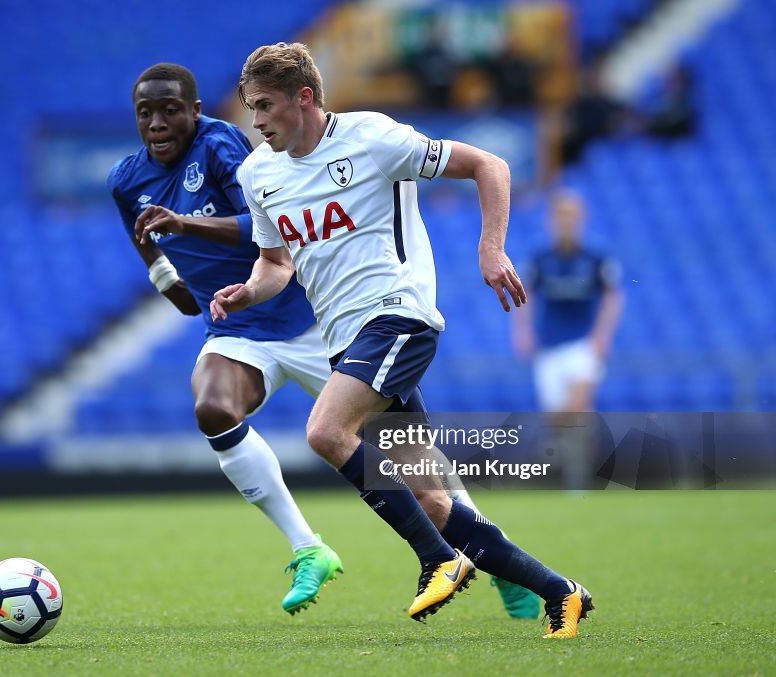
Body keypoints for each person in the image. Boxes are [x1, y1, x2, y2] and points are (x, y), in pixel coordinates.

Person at [109, 63, 540, 619]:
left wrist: (187, 225)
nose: (159, 122)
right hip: (242, 324)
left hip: (317, 321)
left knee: (417, 474)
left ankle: (490, 555)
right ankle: (308, 546)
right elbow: (163, 237)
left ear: (196, 110)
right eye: (146, 112)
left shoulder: (225, 148)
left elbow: (266, 231)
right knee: (214, 407)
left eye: (172, 109)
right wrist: (167, 279)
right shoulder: (129, 179)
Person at [212, 42, 592, 637]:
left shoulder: (372, 138)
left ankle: (438, 560)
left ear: (303, 98)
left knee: (324, 431)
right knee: (435, 502)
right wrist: (246, 292)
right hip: (344, 338)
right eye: (248, 107)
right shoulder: (258, 173)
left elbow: (490, 165)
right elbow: (276, 266)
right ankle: (560, 592)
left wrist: (490, 248)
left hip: (397, 318)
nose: (255, 122)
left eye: (264, 106)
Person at [513, 190, 624, 486]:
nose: (565, 222)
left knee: (576, 408)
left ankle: (579, 479)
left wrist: (602, 336)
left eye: (571, 216)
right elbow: (526, 296)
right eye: (560, 216)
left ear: (581, 219)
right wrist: (523, 332)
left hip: (582, 343)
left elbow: (613, 296)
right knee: (559, 418)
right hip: (549, 346)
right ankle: (569, 458)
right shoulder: (540, 258)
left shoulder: (595, 257)